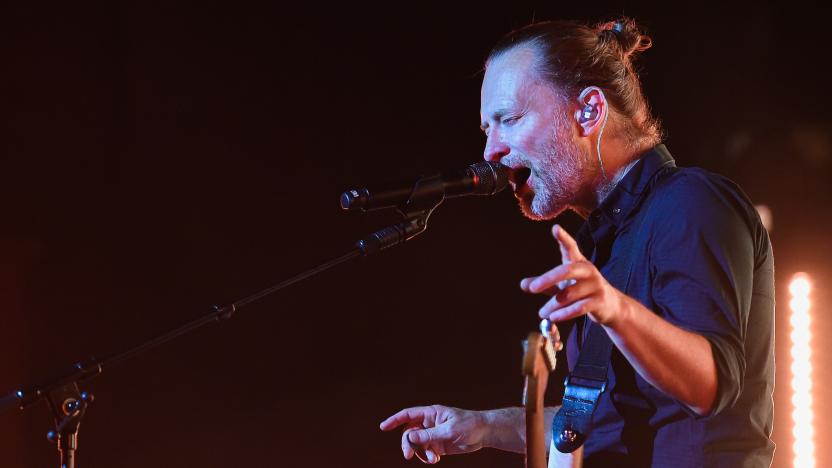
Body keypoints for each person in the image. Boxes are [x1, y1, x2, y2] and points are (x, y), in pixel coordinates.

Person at [379, 18, 775, 467]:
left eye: (508, 119)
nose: (490, 151)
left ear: (588, 110)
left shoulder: (691, 202)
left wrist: (614, 308)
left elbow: (712, 385)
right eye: (487, 129)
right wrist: (484, 426)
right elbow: (600, 425)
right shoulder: (602, 247)